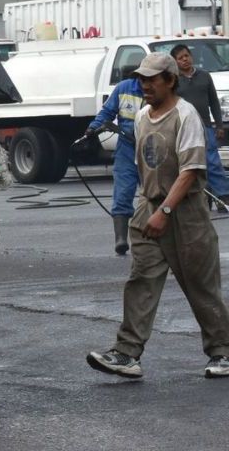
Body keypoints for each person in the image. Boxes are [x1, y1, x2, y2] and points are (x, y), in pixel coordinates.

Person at [86, 52, 229, 380]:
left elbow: (191, 171)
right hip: (149, 210)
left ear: (170, 80)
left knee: (200, 286)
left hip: (185, 214)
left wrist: (165, 211)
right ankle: (127, 354)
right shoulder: (142, 117)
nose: (144, 85)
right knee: (141, 281)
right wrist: (146, 207)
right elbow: (144, 166)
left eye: (152, 79)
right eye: (142, 79)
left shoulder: (185, 115)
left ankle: (222, 351)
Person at [85, 74, 145, 255]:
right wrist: (92, 128)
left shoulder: (160, 91)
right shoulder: (124, 88)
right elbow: (107, 112)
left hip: (152, 147)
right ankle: (120, 238)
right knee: (123, 191)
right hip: (127, 147)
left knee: (155, 193)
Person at [170, 44, 229, 211]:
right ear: (175, 62)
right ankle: (201, 198)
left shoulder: (204, 76)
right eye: (180, 58)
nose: (185, 60)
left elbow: (214, 102)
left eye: (186, 56)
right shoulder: (173, 80)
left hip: (205, 126)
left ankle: (223, 196)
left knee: (212, 162)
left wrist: (218, 125)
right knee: (190, 164)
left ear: (191, 57)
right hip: (184, 128)